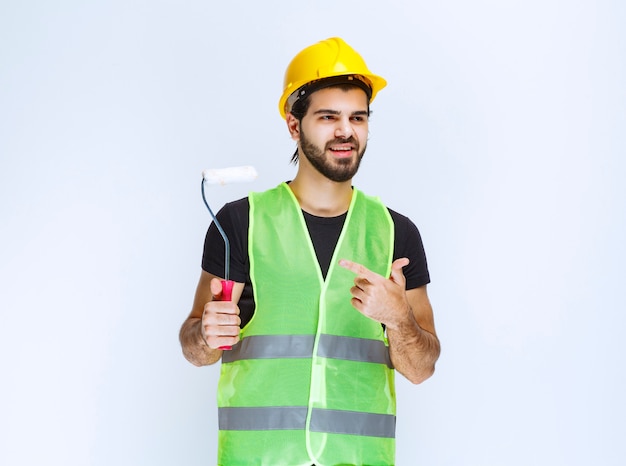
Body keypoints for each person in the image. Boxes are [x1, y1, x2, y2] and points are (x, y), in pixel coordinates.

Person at [179, 37, 440, 465]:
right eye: (328, 116)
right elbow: (194, 346)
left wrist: (399, 320)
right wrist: (207, 334)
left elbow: (421, 368)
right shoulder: (240, 223)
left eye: (358, 117)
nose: (345, 130)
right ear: (294, 125)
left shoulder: (396, 233)